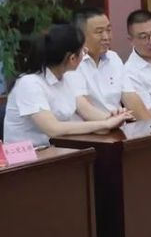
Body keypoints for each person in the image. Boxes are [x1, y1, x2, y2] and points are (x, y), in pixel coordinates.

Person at [3, 24, 132, 147]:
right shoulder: (29, 83)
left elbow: (85, 111)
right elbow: (53, 129)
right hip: (28, 156)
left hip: (59, 150)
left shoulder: (69, 77)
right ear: (72, 59)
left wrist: (114, 119)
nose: (86, 52)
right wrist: (105, 124)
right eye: (82, 50)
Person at [72, 7, 151, 119]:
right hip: (94, 127)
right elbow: (84, 108)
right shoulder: (73, 63)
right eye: (99, 32)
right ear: (80, 35)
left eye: (108, 30)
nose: (106, 37)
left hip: (119, 124)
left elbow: (131, 98)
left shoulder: (113, 58)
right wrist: (112, 122)